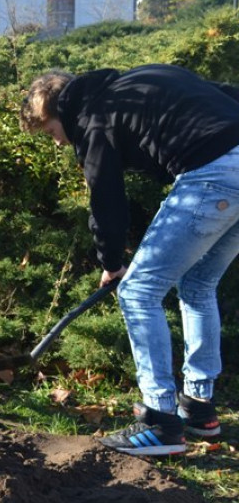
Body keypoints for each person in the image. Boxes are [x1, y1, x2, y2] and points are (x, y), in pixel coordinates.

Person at [20, 64, 239, 456]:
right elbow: (224, 93)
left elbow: (106, 197)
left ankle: (159, 422)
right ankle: (199, 408)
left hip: (213, 175)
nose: (57, 143)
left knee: (137, 291)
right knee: (197, 284)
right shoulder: (141, 80)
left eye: (52, 132)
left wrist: (111, 263)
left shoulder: (91, 117)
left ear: (59, 113)